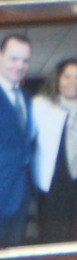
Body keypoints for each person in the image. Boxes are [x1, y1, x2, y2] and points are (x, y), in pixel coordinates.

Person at [32, 57, 77, 243]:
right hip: (54, 184)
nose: (73, 81)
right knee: (53, 238)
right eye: (67, 76)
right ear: (57, 79)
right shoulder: (40, 105)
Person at [0, 33, 34, 246]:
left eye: (25, 61)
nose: (20, 65)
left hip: (20, 194)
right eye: (13, 58)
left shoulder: (26, 97)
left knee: (15, 257)